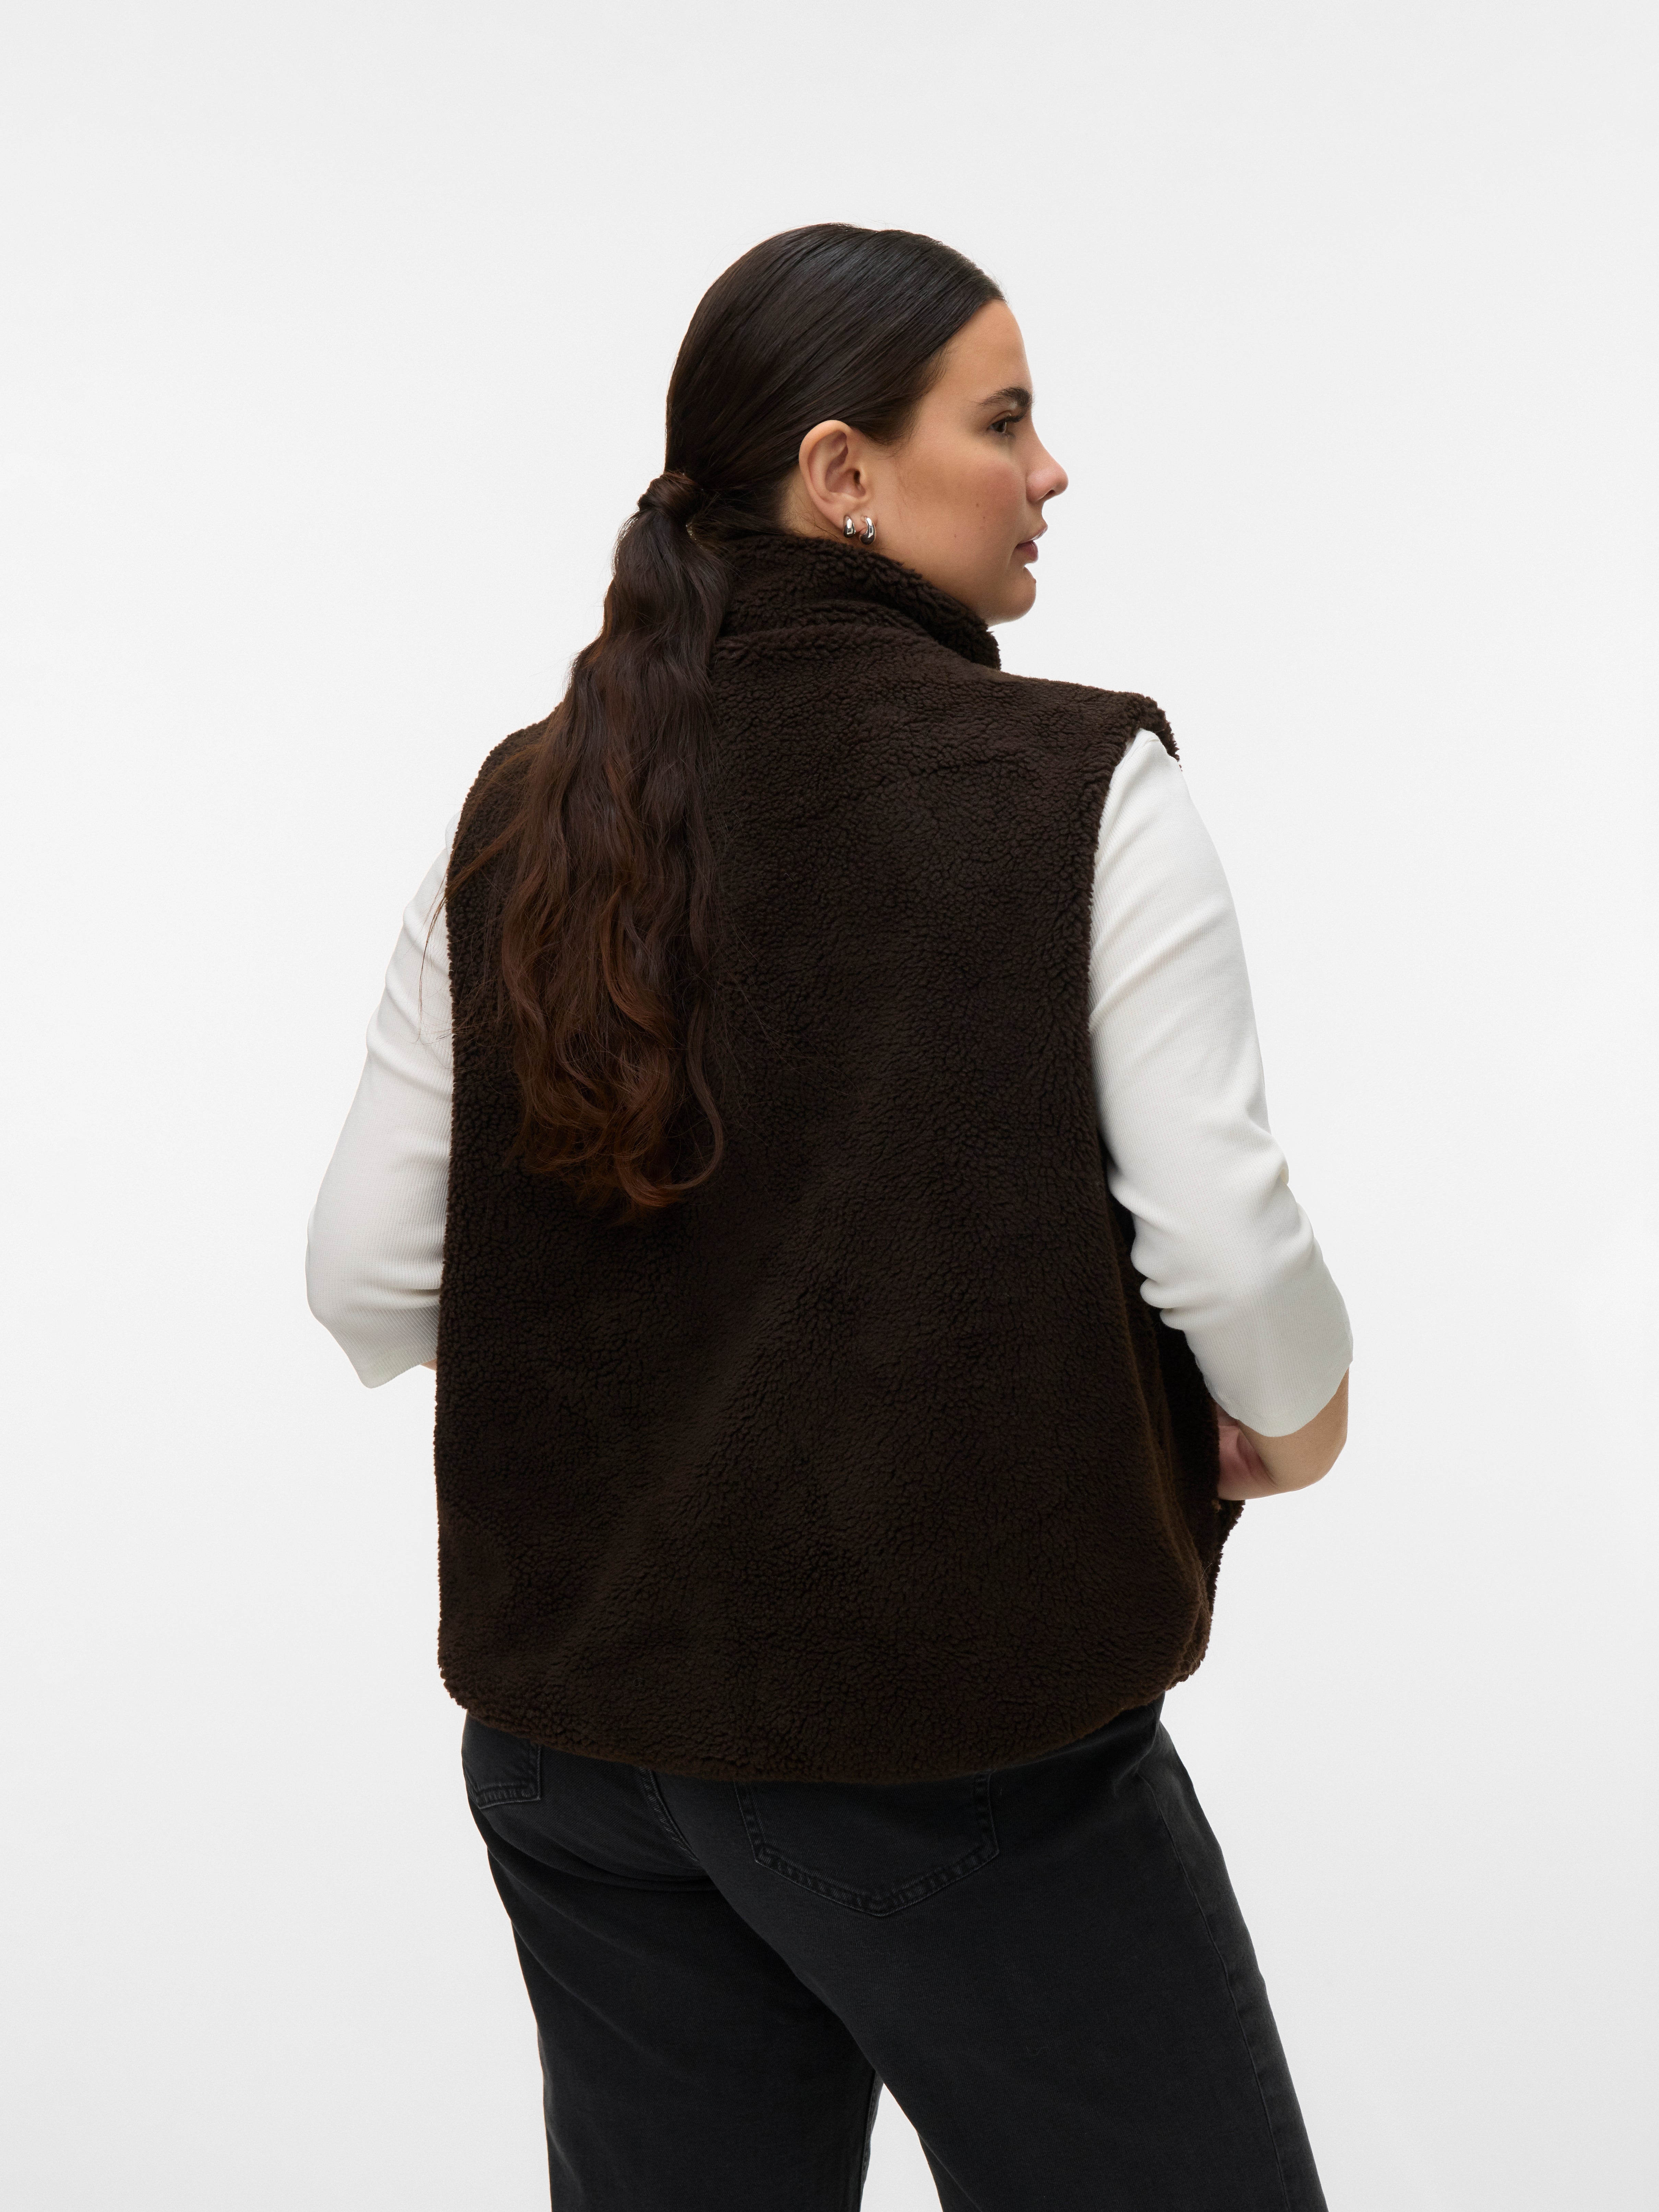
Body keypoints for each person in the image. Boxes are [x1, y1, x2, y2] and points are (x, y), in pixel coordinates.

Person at [307, 223, 1351, 2212]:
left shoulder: (530, 804)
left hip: (579, 1749)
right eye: (1006, 420)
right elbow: (1222, 1245)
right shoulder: (1076, 786)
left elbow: (364, 1279)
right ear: (841, 473)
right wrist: (1298, 1426)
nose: (1051, 470)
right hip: (943, 1742)